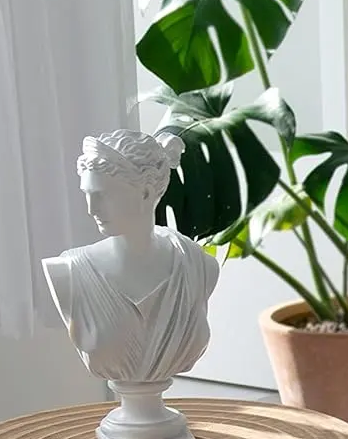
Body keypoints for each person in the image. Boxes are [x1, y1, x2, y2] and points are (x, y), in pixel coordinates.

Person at [42, 129, 219, 386]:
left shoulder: (198, 267)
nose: (92, 209)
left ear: (146, 192)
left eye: (102, 195)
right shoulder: (67, 272)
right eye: (87, 195)